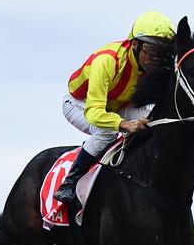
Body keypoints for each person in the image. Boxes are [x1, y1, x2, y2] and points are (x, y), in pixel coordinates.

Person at [54, 11, 176, 203]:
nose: (156, 58)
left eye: (162, 51)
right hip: (81, 103)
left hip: (118, 104)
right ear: (134, 44)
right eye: (150, 49)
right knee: (108, 132)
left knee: (157, 120)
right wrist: (126, 125)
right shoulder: (108, 60)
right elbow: (95, 113)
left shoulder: (158, 66)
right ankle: (70, 182)